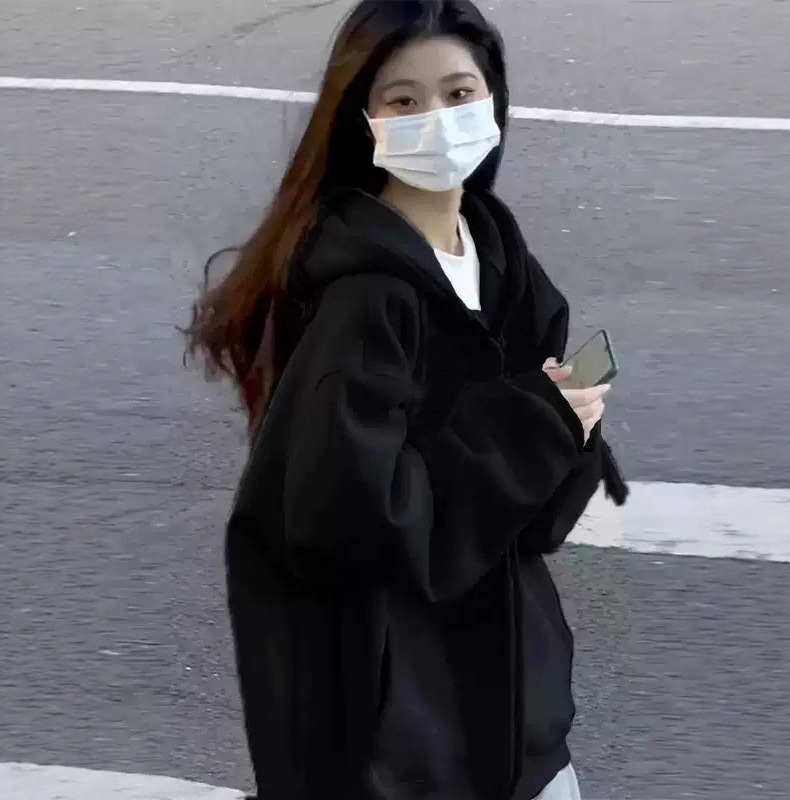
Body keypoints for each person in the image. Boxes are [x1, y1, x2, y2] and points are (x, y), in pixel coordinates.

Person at [185, 2, 628, 798]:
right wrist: (535, 426)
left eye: (459, 94)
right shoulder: (366, 301)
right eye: (404, 101)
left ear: (493, 97)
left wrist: (568, 429)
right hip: (408, 742)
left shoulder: (499, 256)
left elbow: (534, 525)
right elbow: (347, 525)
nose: (439, 120)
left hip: (511, 710)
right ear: (365, 122)